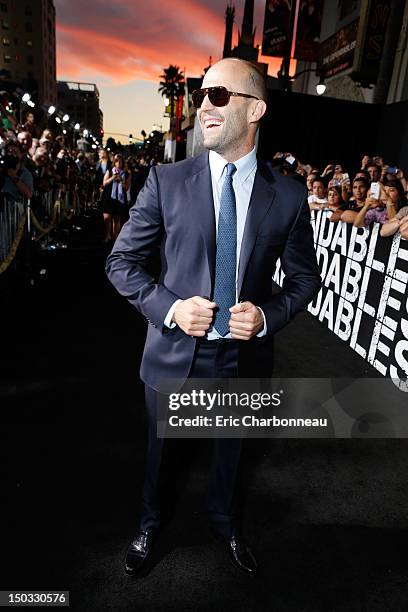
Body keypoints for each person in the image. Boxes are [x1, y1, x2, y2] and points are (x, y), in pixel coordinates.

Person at [105, 57, 321, 577]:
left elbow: (303, 279)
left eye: (219, 95)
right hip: (173, 353)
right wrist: (173, 308)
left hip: (240, 360)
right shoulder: (166, 179)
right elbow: (121, 262)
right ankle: (149, 526)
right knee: (160, 461)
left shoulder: (288, 195)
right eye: (203, 95)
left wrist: (266, 318)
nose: (204, 104)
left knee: (231, 459)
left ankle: (225, 526)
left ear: (256, 110)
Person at [102, 153, 130, 242]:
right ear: (114, 162)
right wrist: (113, 177)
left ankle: (115, 237)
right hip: (108, 196)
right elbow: (104, 183)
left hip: (119, 198)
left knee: (116, 219)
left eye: (120, 162)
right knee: (106, 217)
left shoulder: (126, 174)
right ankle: (107, 235)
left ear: (122, 163)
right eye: (116, 162)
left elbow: (126, 188)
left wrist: (121, 180)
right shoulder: (110, 171)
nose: (118, 163)